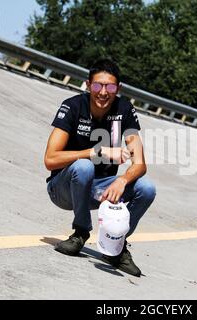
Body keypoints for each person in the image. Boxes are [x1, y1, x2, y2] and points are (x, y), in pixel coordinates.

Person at [44, 59, 156, 277]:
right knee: (85, 167)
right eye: (97, 86)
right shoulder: (73, 106)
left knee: (147, 188)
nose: (103, 92)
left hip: (100, 190)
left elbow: (140, 163)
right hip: (63, 189)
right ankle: (80, 232)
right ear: (88, 86)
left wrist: (122, 180)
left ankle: (115, 246)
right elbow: (50, 159)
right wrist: (97, 152)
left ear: (118, 89)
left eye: (110, 87)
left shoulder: (124, 109)